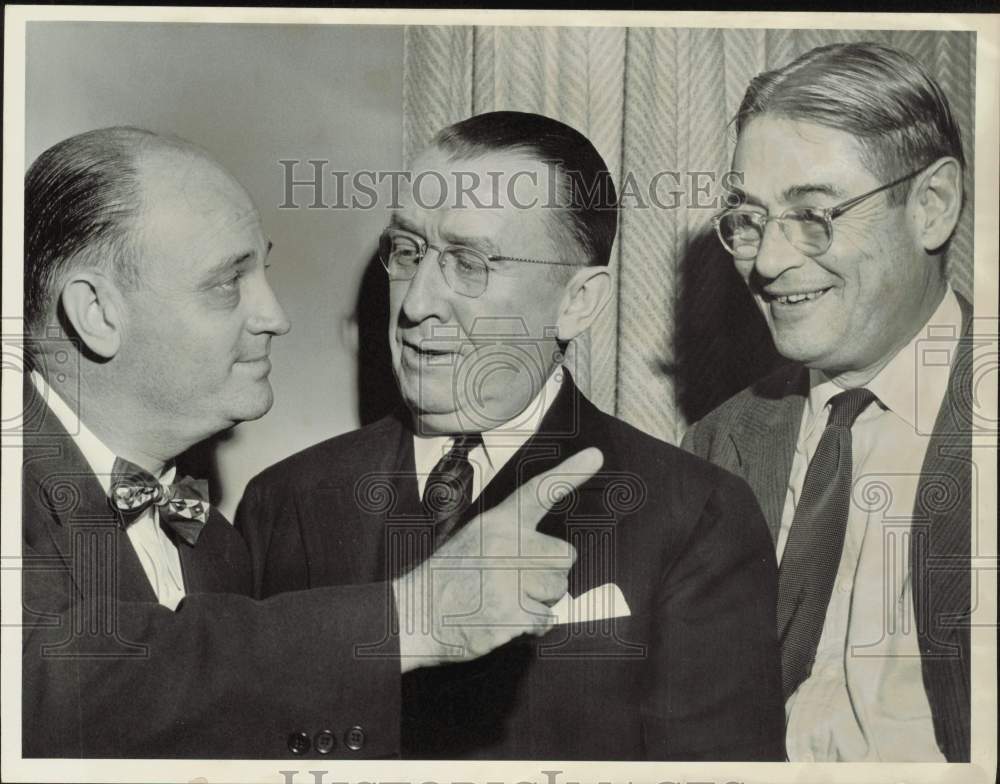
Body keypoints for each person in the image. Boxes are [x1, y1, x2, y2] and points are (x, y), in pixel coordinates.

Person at [20, 126, 597, 758]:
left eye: (260, 271)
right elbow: (46, 684)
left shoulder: (213, 543)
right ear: (97, 314)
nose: (275, 316)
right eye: (226, 283)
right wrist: (411, 615)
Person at [237, 110, 786, 760]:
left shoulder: (694, 516)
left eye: (470, 263)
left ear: (577, 301)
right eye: (409, 252)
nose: (415, 304)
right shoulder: (284, 501)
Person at [683, 42, 972, 762]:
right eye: (748, 219)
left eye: (813, 214)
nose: (770, 261)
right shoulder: (718, 442)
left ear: (931, 207)